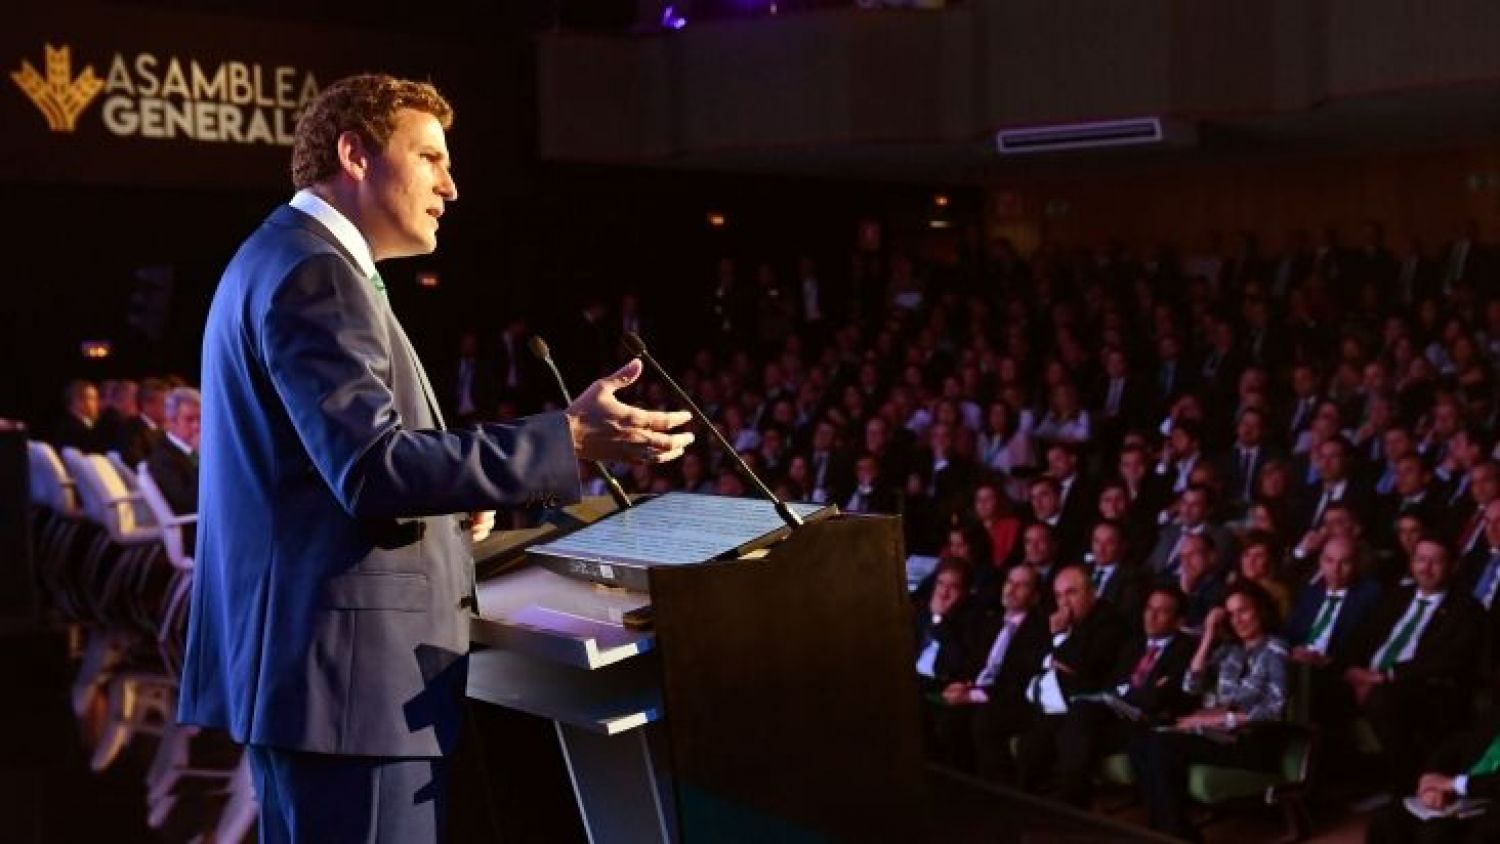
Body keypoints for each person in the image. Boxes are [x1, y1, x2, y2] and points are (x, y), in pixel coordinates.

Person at [177, 75, 693, 843]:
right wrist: (568, 440)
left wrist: (448, 502)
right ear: (354, 154)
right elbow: (372, 469)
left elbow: (322, 473)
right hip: (349, 693)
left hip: (314, 685)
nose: (450, 186)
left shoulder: (278, 258)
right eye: (429, 158)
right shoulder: (316, 273)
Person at [1129, 582, 1289, 841]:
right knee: (1141, 743)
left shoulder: (1275, 649)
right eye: (1232, 614)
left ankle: (1174, 832)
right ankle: (1165, 827)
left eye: (1244, 611)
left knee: (1164, 745)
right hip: (1221, 735)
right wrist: (1208, 636)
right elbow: (1191, 685)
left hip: (1254, 740)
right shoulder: (1230, 651)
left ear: (1260, 610)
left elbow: (1274, 709)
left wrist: (1219, 719)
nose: (1238, 620)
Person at [145, 387, 202, 546]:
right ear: (170, 423)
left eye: (200, 419)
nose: (197, 426)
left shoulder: (190, 450)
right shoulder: (163, 458)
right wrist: (202, 458)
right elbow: (191, 503)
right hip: (194, 533)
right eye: (190, 420)